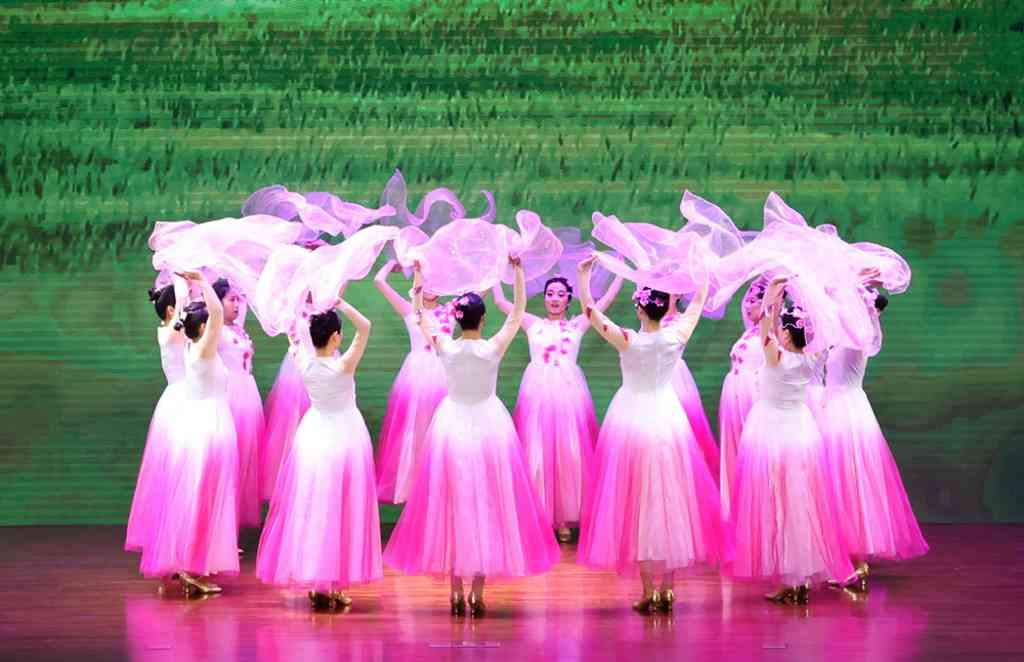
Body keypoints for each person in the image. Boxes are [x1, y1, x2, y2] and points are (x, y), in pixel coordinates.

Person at [384, 258, 560, 618]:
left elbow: (419, 315)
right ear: (482, 320)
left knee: (451, 503)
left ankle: (455, 592)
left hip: (450, 428)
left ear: (458, 318)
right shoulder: (493, 347)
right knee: (486, 503)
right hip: (489, 429)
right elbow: (518, 311)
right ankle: (477, 594)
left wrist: (418, 281)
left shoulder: (445, 347)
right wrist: (518, 272)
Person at [577, 256, 723, 613]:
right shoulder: (677, 336)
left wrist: (583, 277)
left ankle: (648, 591)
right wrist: (701, 271)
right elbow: (698, 302)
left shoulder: (628, 340)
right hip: (668, 419)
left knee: (636, 501)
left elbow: (590, 312)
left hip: (631, 422)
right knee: (670, 498)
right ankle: (668, 589)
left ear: (641, 309)